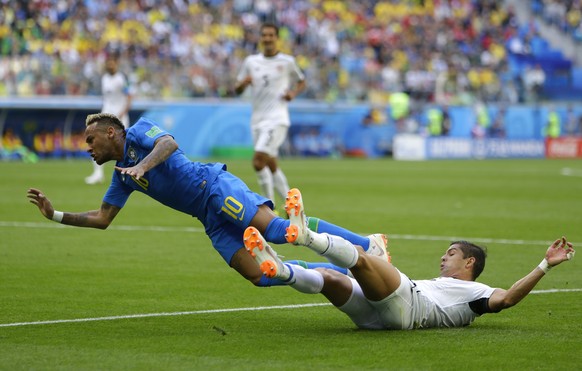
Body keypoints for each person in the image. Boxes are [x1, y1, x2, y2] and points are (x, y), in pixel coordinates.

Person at [27, 113, 388, 288]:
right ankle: (346, 270)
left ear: (110, 133)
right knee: (260, 275)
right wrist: (55, 214)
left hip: (215, 186)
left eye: (91, 141)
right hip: (208, 218)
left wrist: (142, 166)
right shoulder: (121, 176)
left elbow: (169, 144)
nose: (87, 148)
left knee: (280, 232)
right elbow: (102, 218)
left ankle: (367, 245)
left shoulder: (138, 131)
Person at [243, 188, 576, 330]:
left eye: (452, 253)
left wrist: (545, 264)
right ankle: (281, 269)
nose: (443, 257)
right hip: (380, 320)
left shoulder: (478, 293)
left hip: (411, 307)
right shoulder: (446, 285)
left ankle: (306, 236)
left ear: (469, 264)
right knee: (332, 280)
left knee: (361, 258)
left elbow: (508, 299)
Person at [234, 23, 306, 211]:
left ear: (276, 38)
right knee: (271, 163)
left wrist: (292, 94)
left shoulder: (287, 61)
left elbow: (301, 81)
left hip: (277, 118)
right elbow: (237, 89)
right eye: (264, 35)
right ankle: (293, 205)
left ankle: (269, 207)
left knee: (258, 161)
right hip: (257, 120)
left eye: (271, 35)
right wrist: (243, 84)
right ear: (260, 38)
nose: (267, 38)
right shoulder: (251, 61)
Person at [85, 54, 133, 185]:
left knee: (123, 146)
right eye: (108, 63)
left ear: (116, 64)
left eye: (112, 63)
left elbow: (129, 96)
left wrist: (123, 112)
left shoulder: (121, 78)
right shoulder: (104, 78)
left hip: (119, 117)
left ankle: (127, 173)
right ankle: (97, 173)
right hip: (106, 115)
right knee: (96, 142)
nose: (110, 65)